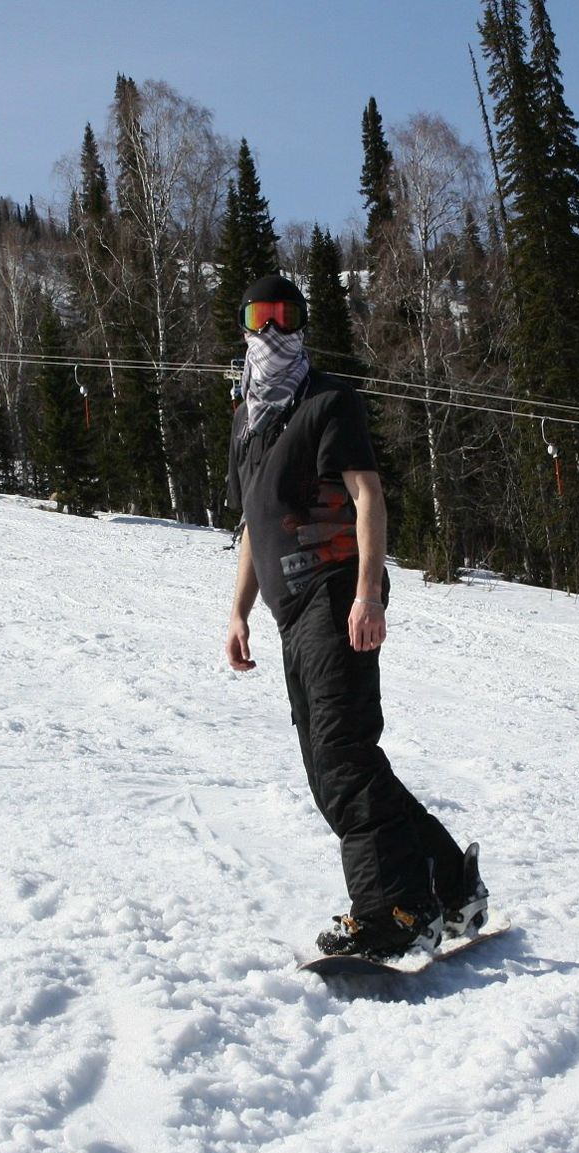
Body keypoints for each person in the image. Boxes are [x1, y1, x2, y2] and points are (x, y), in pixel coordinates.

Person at [225, 273, 488, 958]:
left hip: (336, 591)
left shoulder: (328, 399)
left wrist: (369, 591)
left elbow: (367, 494)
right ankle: (449, 885)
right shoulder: (248, 418)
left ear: (303, 323)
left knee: (342, 757)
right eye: (263, 317)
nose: (275, 332)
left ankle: (392, 910)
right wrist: (237, 612)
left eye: (288, 316)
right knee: (335, 763)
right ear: (246, 325)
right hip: (289, 613)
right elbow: (255, 525)